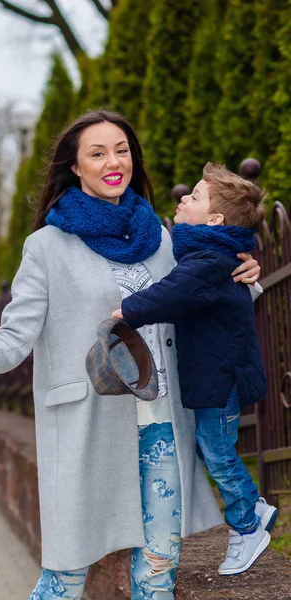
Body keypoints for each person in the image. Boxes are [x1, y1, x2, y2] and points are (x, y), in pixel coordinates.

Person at [0, 110, 261, 600]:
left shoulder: (163, 237)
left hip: (163, 427)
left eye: (122, 150)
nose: (114, 162)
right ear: (75, 166)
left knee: (158, 574)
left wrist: (247, 278)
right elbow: (12, 343)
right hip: (87, 428)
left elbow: (206, 301)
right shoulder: (46, 248)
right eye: (98, 153)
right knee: (65, 577)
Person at [112, 163, 277, 577]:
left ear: (216, 219)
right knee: (214, 448)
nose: (183, 198)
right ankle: (252, 506)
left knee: (217, 451)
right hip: (216, 375)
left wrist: (127, 311)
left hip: (220, 378)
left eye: (196, 196)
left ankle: (248, 525)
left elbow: (175, 292)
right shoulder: (209, 253)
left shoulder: (208, 258)